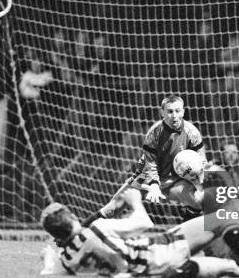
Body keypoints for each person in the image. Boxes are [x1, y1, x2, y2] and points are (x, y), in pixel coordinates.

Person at [82, 95, 207, 227]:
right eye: (169, 111)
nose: (174, 115)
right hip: (147, 177)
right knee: (112, 208)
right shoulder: (154, 133)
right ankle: (78, 235)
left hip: (175, 179)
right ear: (162, 112)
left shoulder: (192, 132)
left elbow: (200, 158)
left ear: (183, 111)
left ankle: (183, 237)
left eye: (177, 111)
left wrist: (199, 176)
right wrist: (153, 185)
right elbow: (150, 163)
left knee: (197, 201)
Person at [39, 202, 239, 278]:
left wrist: (49, 256)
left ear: (57, 236)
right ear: (73, 217)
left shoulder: (67, 260)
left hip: (157, 267)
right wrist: (134, 199)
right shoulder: (99, 228)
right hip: (161, 250)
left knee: (232, 267)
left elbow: (49, 272)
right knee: (221, 219)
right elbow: (144, 221)